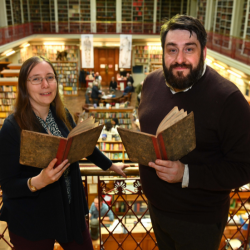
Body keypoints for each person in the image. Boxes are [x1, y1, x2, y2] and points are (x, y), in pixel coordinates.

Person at [138, 15, 250, 250]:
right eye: (172, 50)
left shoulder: (228, 99)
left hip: (199, 221)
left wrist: (186, 174)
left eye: (189, 49)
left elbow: (245, 166)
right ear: (163, 53)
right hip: (156, 211)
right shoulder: (150, 83)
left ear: (204, 52)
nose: (180, 59)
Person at [0, 56, 127, 250]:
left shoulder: (62, 114)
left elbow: (82, 145)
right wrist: (38, 182)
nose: (45, 84)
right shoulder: (12, 127)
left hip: (69, 210)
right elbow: (8, 186)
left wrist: (110, 165)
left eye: (50, 77)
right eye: (36, 79)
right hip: (32, 218)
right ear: (24, 86)